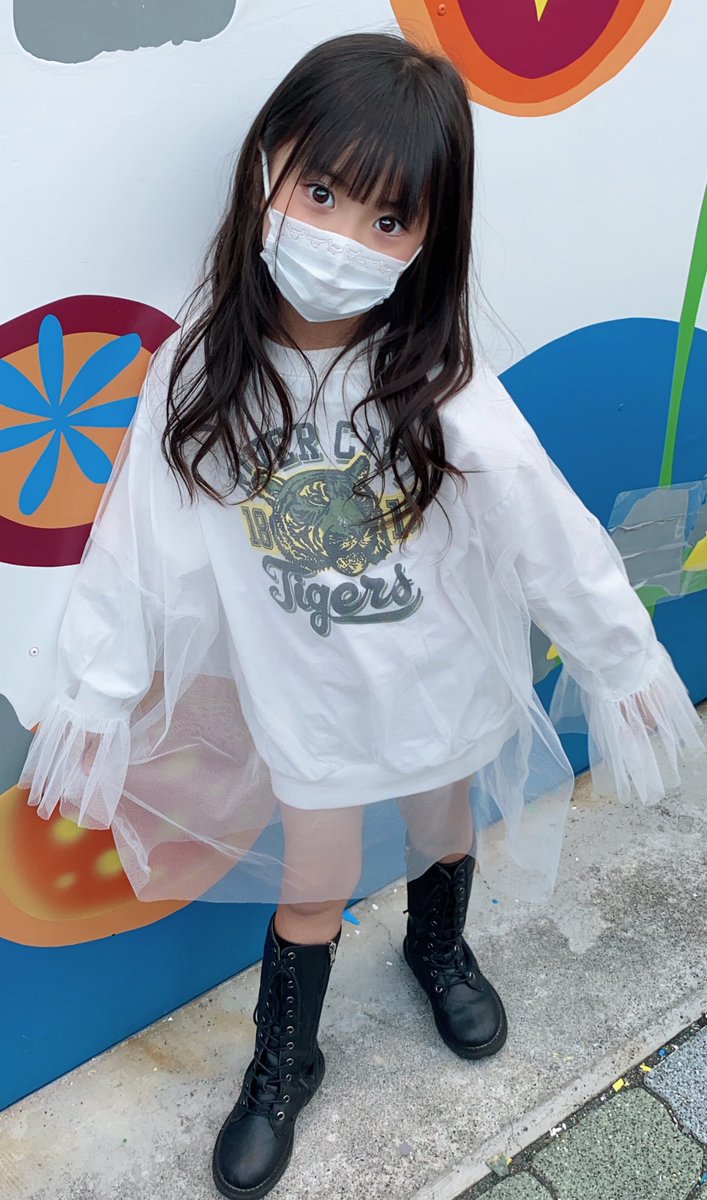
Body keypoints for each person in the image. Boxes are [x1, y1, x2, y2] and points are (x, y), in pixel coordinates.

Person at [18, 31, 705, 1200]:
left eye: (387, 219)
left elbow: (539, 524)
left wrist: (617, 654)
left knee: (444, 827)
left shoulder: (432, 379)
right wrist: (100, 688)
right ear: (267, 168)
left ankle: (438, 946)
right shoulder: (202, 373)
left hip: (440, 680)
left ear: (429, 236)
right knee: (313, 884)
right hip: (307, 702)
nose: (341, 240)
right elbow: (137, 544)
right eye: (322, 192)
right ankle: (285, 1059)